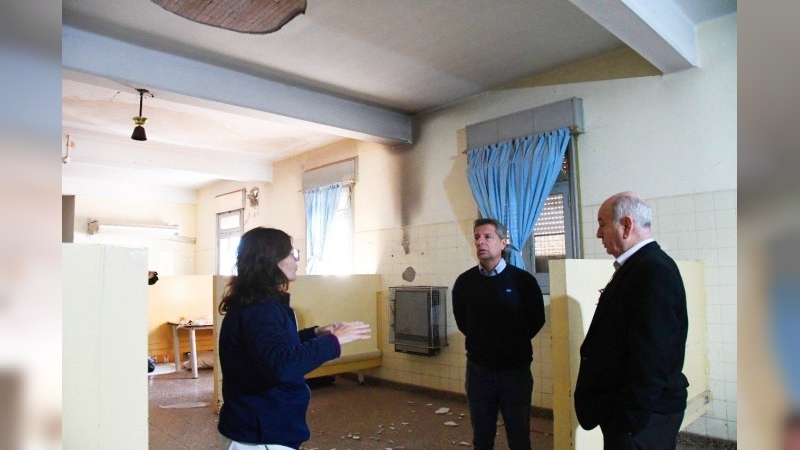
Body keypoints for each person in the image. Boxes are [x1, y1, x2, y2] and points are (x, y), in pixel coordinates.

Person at [216, 227, 371, 450]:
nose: (296, 259)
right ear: (272, 260)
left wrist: (316, 334)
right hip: (260, 435)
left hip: (260, 427)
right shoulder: (261, 308)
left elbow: (270, 348)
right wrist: (334, 341)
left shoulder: (260, 303)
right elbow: (282, 365)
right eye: (291, 253)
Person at [574, 192, 689, 449]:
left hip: (642, 420)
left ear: (626, 225)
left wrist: (627, 421)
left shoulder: (653, 270)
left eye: (602, 224)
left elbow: (653, 356)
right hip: (636, 415)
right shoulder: (639, 266)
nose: (598, 234)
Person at [452, 218, 546, 450]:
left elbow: (536, 319)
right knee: (482, 438)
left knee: (519, 437)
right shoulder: (465, 282)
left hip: (515, 371)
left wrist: (511, 342)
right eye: (477, 237)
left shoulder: (523, 281)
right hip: (479, 371)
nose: (480, 242)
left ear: (503, 243)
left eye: (487, 237)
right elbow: (463, 321)